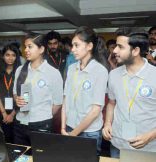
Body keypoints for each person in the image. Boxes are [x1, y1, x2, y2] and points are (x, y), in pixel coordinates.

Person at [102, 27, 156, 158]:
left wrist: (151, 135)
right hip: (117, 144)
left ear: (136, 50)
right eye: (115, 46)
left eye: (120, 47)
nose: (114, 51)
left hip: (148, 148)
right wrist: (108, 123)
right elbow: (111, 103)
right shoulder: (114, 75)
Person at [61, 26, 109, 155]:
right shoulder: (71, 69)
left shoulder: (100, 71)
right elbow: (65, 100)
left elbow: (95, 111)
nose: (72, 50)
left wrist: (74, 134)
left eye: (76, 45)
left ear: (89, 46)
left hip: (89, 132)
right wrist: (63, 127)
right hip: (69, 127)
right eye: (72, 45)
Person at [13, 34, 63, 146]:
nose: (26, 50)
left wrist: (43, 115)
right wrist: (17, 100)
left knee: (41, 157)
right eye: (25, 47)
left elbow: (58, 103)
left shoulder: (53, 73)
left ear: (41, 49)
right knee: (21, 157)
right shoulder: (20, 70)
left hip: (42, 124)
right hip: (20, 123)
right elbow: (15, 93)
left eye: (30, 47)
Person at [0, 44, 21, 143]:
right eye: (7, 55)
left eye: (13, 55)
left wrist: (12, 115)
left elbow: (22, 96)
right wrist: (4, 113)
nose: (10, 58)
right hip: (2, 111)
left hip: (18, 112)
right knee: (7, 138)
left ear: (16, 57)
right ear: (3, 56)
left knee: (17, 139)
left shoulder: (21, 72)